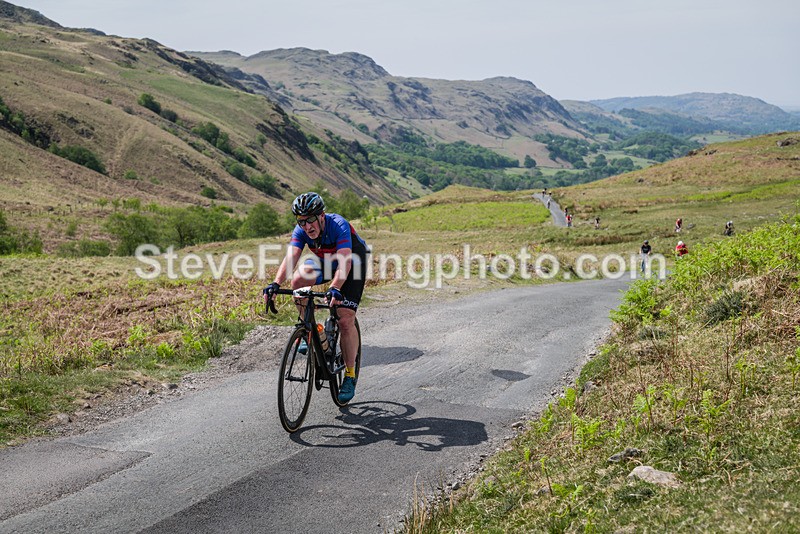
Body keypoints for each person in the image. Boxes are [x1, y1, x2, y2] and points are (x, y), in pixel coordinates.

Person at [264, 192, 369, 403]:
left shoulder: (338, 225)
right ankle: (312, 331)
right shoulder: (301, 230)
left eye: (311, 219)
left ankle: (349, 374)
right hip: (326, 261)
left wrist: (335, 288)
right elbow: (292, 257)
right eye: (301, 221)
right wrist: (275, 284)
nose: (307, 226)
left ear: (322, 216)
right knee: (297, 282)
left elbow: (345, 263)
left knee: (345, 319)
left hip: (352, 263)